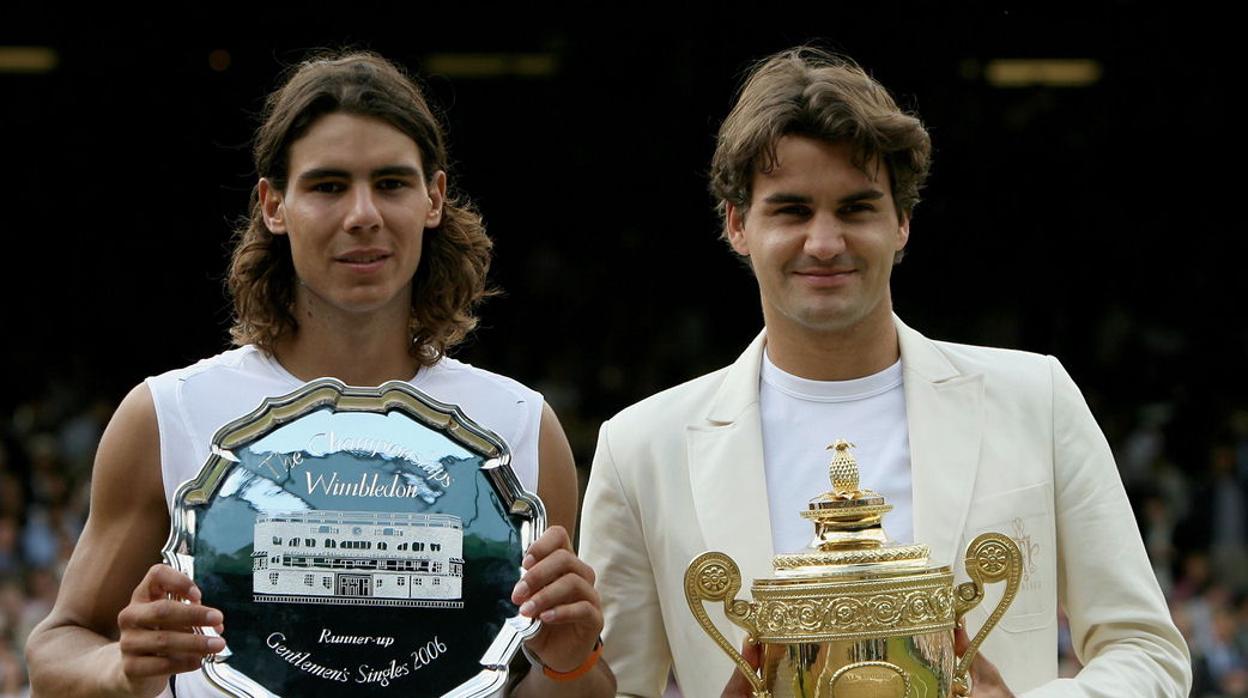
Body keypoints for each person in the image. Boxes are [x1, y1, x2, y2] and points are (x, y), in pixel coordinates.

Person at [579, 47, 1191, 697]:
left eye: (855, 208)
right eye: (791, 210)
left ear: (901, 222)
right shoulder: (641, 447)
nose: (823, 242)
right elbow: (617, 688)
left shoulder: (1035, 399)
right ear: (737, 225)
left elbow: (1146, 651)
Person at [25, 52, 613, 697]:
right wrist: (122, 666)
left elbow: (558, 682)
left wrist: (570, 662)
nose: (363, 214)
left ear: (433, 199)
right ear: (274, 205)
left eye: (391, 183)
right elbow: (58, 650)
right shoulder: (168, 415)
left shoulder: (521, 427)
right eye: (328, 186)